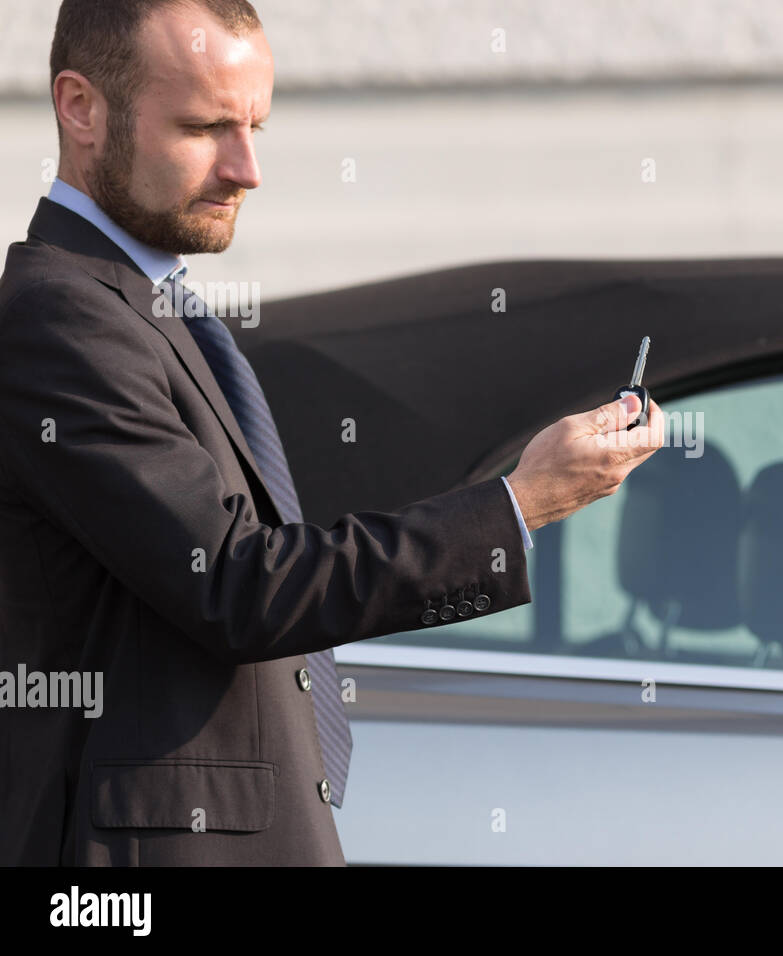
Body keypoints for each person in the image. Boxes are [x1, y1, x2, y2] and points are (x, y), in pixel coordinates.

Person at [0, 0, 664, 866]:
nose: (247, 168)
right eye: (205, 128)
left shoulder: (147, 309)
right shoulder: (63, 318)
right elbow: (237, 586)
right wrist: (517, 506)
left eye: (255, 126)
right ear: (80, 108)